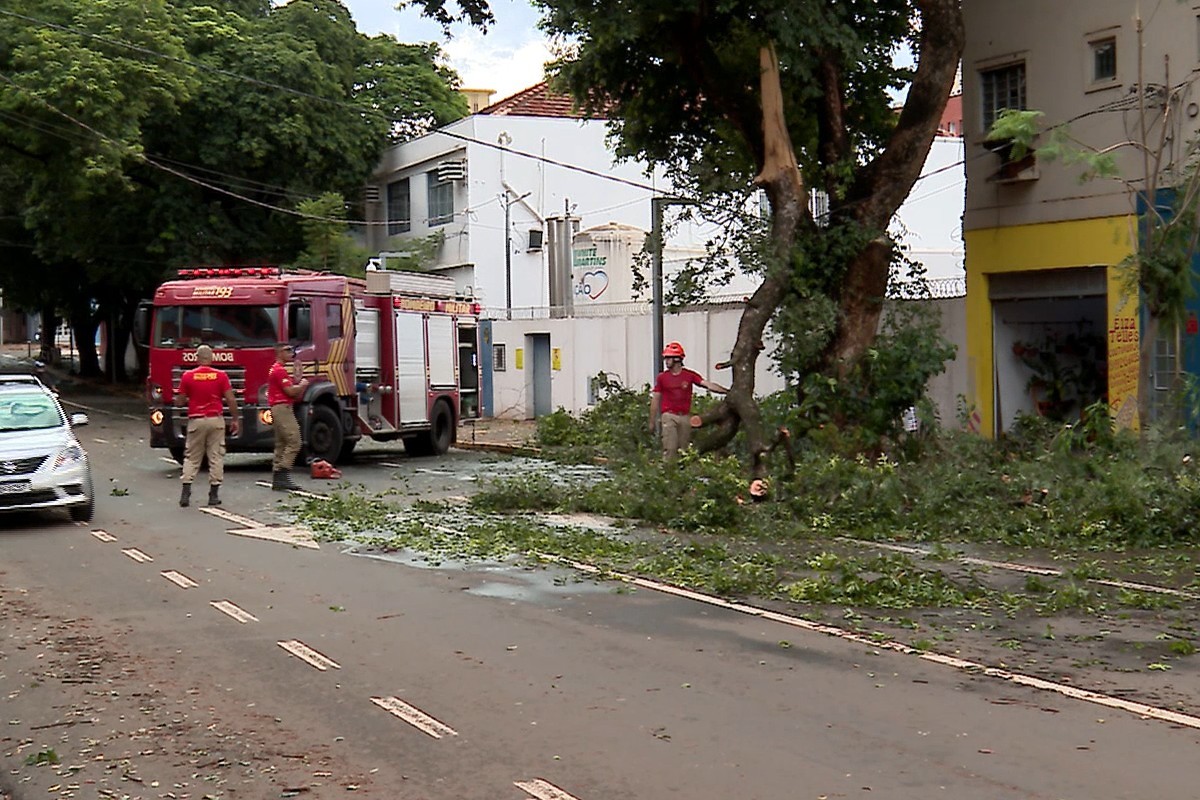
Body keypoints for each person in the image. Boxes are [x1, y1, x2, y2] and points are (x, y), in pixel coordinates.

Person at [175, 345, 240, 507]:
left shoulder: (188, 376)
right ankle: (213, 495)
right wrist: (235, 419)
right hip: (215, 420)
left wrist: (184, 398)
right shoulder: (221, 376)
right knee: (216, 456)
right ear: (211, 358)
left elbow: (180, 402)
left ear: (197, 358)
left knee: (192, 457)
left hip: (196, 421)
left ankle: (186, 492)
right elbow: (230, 399)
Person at [650, 341, 727, 460]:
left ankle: (682, 475)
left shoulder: (689, 375)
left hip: (685, 416)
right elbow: (656, 398)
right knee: (670, 447)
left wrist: (726, 391)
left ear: (677, 359)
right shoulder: (662, 377)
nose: (666, 361)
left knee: (684, 449)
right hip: (669, 415)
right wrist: (652, 420)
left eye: (668, 358)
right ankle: (667, 473)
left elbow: (707, 385)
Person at [268, 342, 310, 491]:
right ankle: (283, 473)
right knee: (294, 441)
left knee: (281, 443)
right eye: (287, 350)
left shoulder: (276, 369)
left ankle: (277, 477)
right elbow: (291, 392)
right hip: (282, 408)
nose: (291, 353)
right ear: (279, 353)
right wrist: (303, 385)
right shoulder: (279, 371)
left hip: (277, 407)